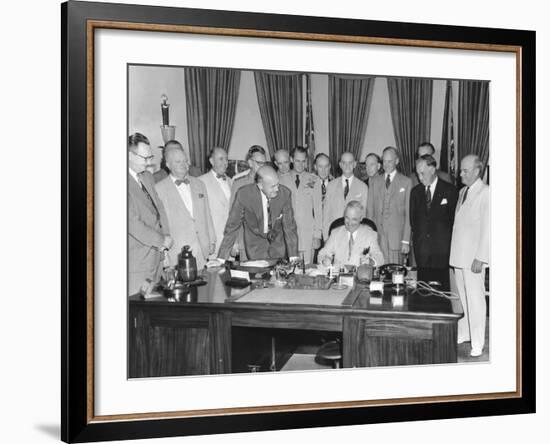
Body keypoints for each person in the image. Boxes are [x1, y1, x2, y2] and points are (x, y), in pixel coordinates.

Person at [449, 154, 490, 357]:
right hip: (458, 255)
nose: (461, 173)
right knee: (462, 299)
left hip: (473, 258)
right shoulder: (463, 191)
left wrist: (481, 257)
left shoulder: (486, 193)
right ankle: (464, 333)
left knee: (475, 300)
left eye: (465, 170)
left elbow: (488, 229)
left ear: (477, 171)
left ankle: (478, 342)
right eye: (461, 170)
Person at [217, 166, 299, 261]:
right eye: (272, 186)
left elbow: (290, 227)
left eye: (277, 184)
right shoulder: (244, 195)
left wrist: (294, 257)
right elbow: (232, 226)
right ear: (260, 185)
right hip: (255, 248)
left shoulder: (284, 194)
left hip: (278, 248)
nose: (277, 189)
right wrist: (221, 259)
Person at [155, 144, 216, 270]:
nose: (184, 164)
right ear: (168, 164)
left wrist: (212, 239)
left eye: (185, 161)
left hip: (202, 249)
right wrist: (164, 253)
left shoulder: (199, 184)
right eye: (178, 162)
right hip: (177, 253)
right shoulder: (159, 189)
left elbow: (207, 214)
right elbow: (160, 224)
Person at [127, 132, 172, 295]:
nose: (148, 163)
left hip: (156, 259)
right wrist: (160, 241)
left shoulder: (147, 177)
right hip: (137, 263)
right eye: (144, 158)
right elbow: (132, 223)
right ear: (129, 155)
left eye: (150, 158)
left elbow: (160, 210)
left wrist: (166, 237)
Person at [410, 154, 458, 290]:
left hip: (442, 251)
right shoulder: (415, 192)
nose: (419, 177)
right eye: (417, 173)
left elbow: (453, 222)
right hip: (422, 250)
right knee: (422, 289)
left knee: (442, 289)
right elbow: (414, 221)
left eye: (422, 173)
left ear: (432, 169)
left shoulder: (450, 191)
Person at [366, 146, 412, 264]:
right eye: (384, 161)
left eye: (390, 161)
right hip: (378, 238)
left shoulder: (406, 182)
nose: (386, 164)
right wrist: (369, 237)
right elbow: (370, 212)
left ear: (396, 161)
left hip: (397, 239)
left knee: (396, 275)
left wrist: (406, 240)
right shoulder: (374, 182)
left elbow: (408, 214)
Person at [279, 146, 319, 264]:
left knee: (307, 271)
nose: (300, 165)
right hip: (287, 235)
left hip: (307, 235)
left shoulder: (313, 179)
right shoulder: (282, 179)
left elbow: (318, 210)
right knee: (289, 271)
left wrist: (317, 235)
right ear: (291, 159)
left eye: (303, 161)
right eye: (297, 161)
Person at [229, 145, 268, 260]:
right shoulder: (239, 184)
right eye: (259, 163)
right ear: (250, 163)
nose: (263, 167)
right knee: (248, 275)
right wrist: (235, 242)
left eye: (264, 163)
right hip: (246, 242)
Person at [318, 201, 384, 267]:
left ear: (361, 218)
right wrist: (324, 260)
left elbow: (380, 258)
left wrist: (370, 261)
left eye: (354, 219)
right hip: (339, 274)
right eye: (347, 218)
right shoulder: (335, 233)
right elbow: (322, 254)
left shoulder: (370, 234)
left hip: (360, 275)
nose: (349, 223)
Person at [323, 152, 368, 240]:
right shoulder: (331, 185)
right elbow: (326, 214)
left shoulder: (363, 187)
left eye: (350, 163)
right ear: (340, 165)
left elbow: (364, 215)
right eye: (344, 163)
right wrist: (326, 237)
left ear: (354, 164)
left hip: (354, 236)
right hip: (334, 235)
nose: (347, 166)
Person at [199, 147, 232, 253]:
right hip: (214, 242)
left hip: (231, 242)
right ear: (211, 161)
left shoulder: (231, 181)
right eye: (221, 159)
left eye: (226, 159)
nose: (225, 163)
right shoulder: (200, 182)